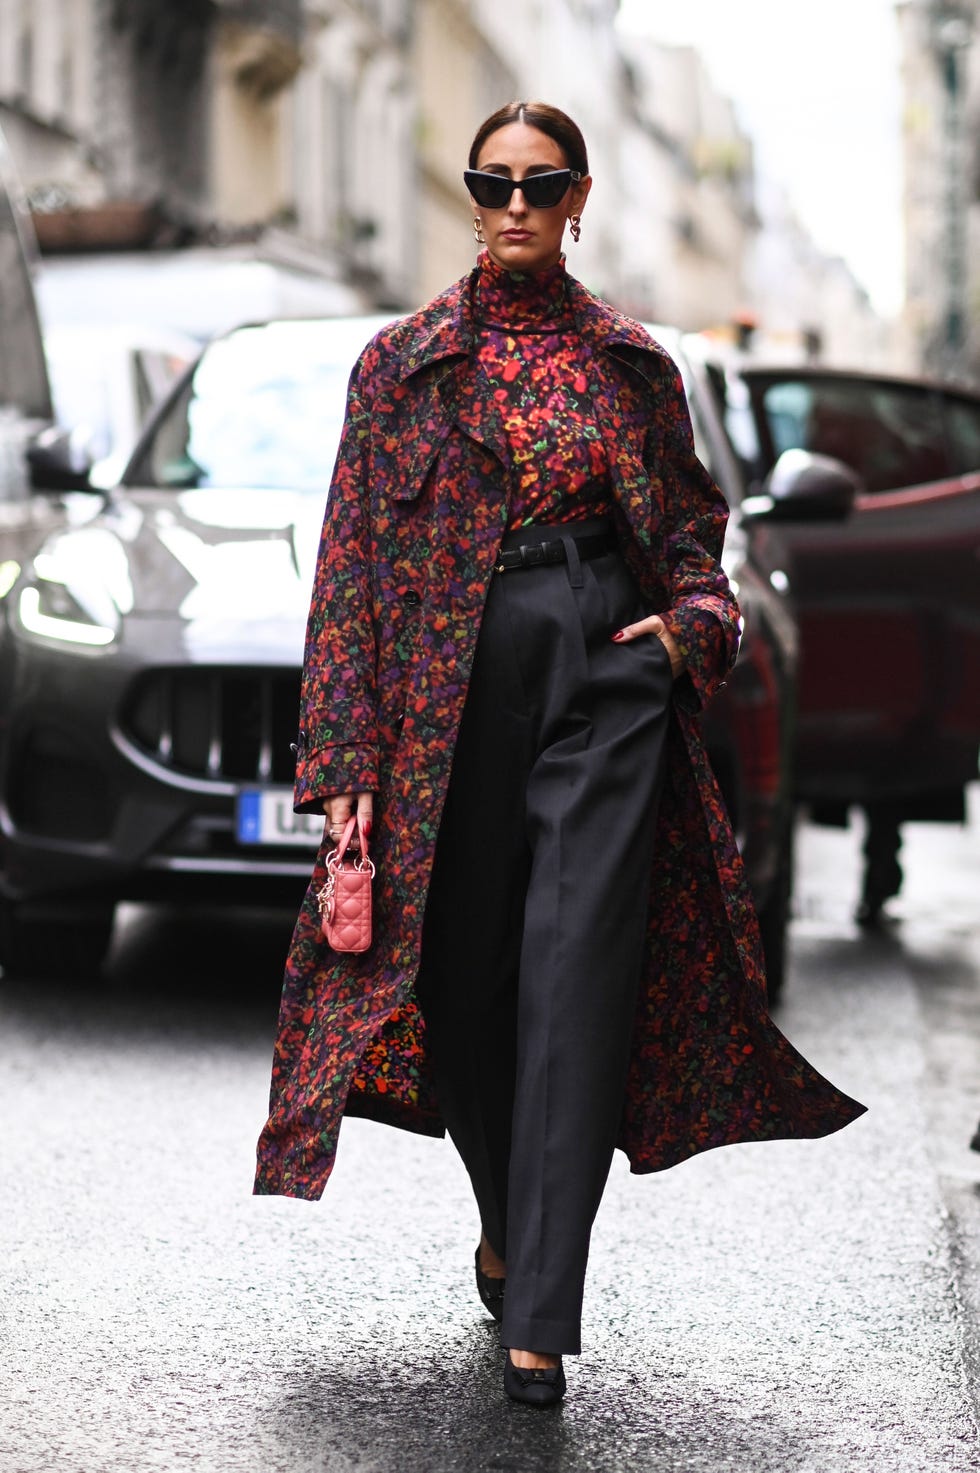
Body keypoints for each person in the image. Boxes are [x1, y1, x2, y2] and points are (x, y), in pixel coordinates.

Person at [255, 101, 866, 1409]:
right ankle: (506, 1217)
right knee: (466, 979)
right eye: (494, 181)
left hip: (608, 666)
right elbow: (353, 573)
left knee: (578, 974)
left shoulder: (633, 366)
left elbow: (698, 547)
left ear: (578, 197)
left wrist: (689, 630)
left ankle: (541, 1306)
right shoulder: (402, 367)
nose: (517, 202)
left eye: (542, 183)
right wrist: (344, 763)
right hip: (448, 690)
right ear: (472, 197)